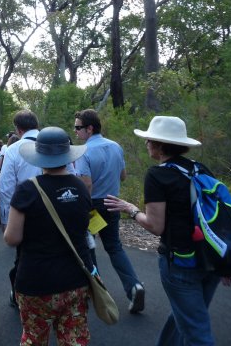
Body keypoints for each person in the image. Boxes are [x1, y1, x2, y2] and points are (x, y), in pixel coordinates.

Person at [104, 116, 231, 345]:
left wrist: (131, 209)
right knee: (187, 314)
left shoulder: (157, 175)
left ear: (160, 145)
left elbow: (155, 226)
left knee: (197, 332)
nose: (146, 144)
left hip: (180, 263)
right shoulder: (200, 169)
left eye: (149, 140)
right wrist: (226, 260)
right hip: (210, 259)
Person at [4, 127, 92, 346]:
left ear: (39, 157)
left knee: (34, 338)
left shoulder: (27, 190)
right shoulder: (80, 187)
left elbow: (12, 238)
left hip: (36, 281)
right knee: (74, 340)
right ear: (67, 155)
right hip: (76, 279)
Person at [74, 109, 145, 313]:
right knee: (114, 247)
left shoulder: (83, 152)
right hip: (113, 203)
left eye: (78, 127)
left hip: (92, 206)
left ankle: (95, 290)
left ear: (89, 128)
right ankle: (134, 286)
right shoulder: (116, 146)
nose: (76, 131)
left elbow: (86, 185)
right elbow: (122, 176)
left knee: (88, 247)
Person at [0, 110, 41, 307]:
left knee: (24, 254)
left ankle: (20, 293)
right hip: (58, 210)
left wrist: (7, 220)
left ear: (18, 128)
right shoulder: (56, 142)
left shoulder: (13, 149)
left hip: (26, 211)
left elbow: (6, 188)